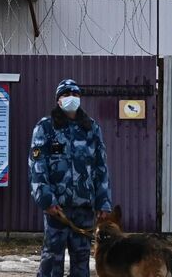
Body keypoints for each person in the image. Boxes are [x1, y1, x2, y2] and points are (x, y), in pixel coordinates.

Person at [28, 79, 111, 277]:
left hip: (84, 208)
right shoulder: (46, 128)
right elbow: (37, 166)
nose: (71, 98)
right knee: (51, 262)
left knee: (81, 263)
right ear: (58, 100)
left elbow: (101, 167)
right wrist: (46, 199)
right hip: (57, 209)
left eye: (75, 94)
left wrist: (103, 202)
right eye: (66, 95)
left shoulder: (91, 128)